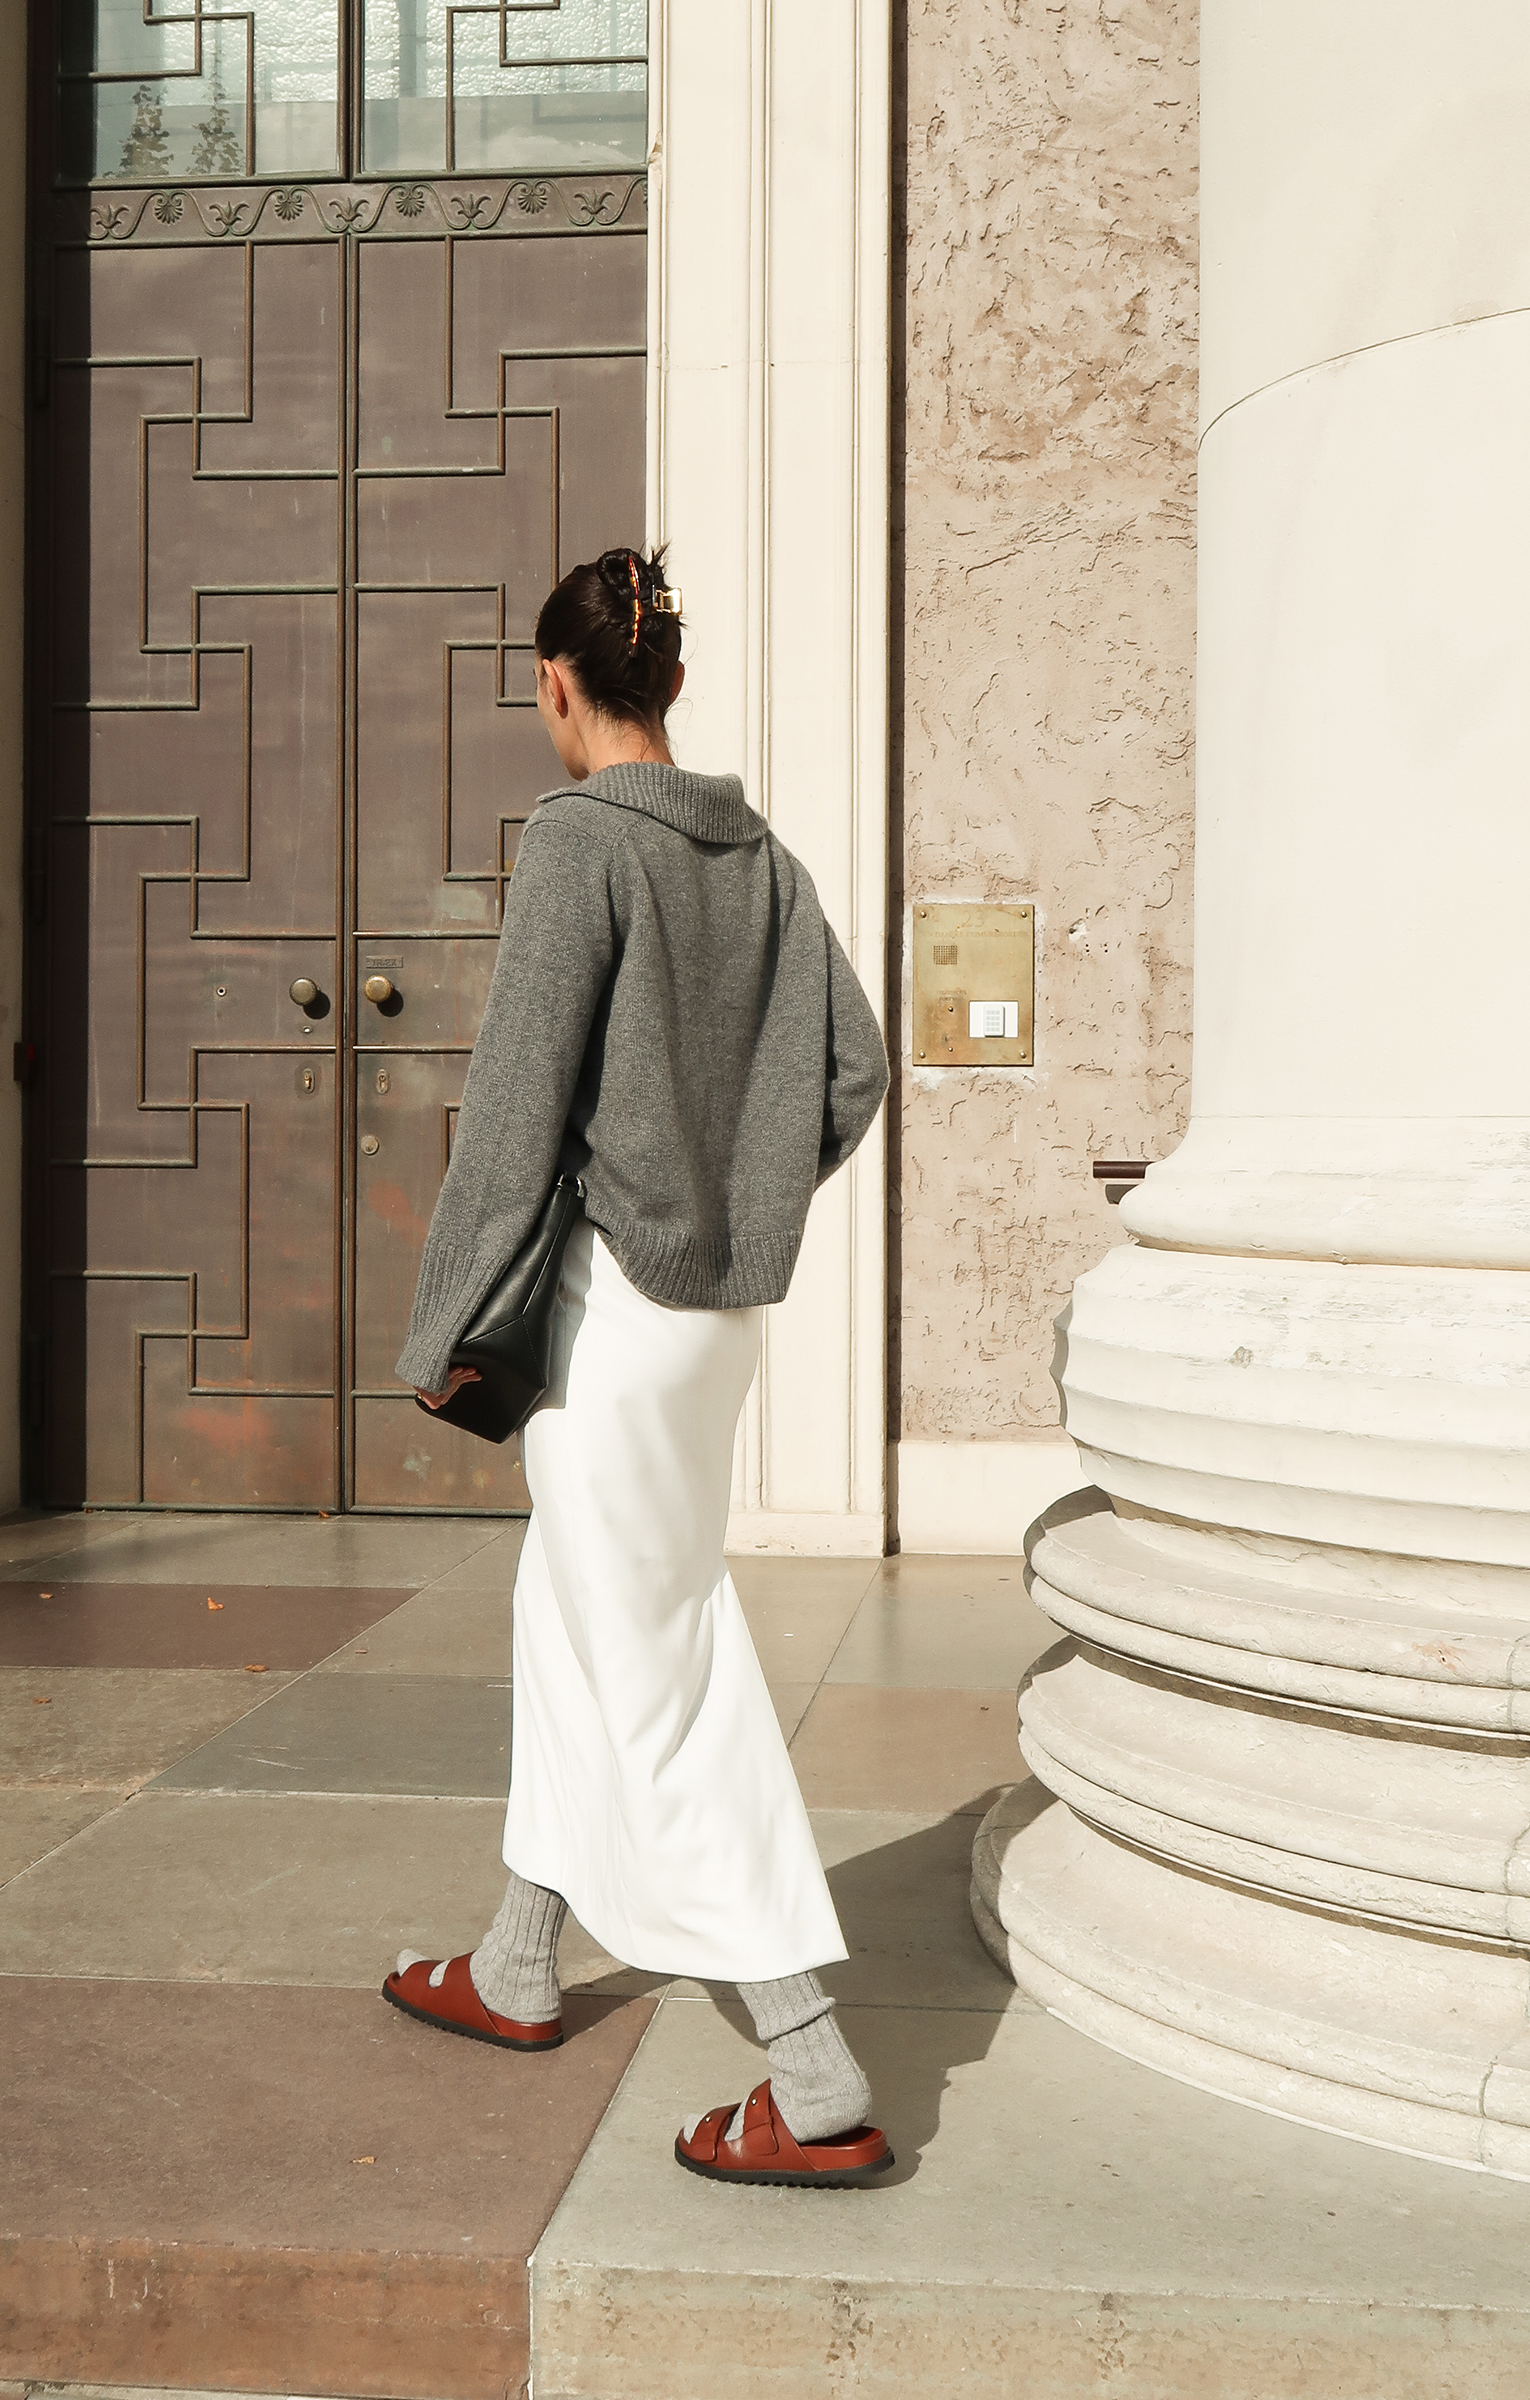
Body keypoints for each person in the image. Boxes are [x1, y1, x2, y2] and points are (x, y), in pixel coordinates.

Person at [383, 546, 893, 2188]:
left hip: (615, 1316)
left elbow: (520, 1106)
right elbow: (856, 1068)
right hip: (716, 1324)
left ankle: (812, 2072)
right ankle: (518, 1956)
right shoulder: (763, 857)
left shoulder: (579, 844)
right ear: (664, 679)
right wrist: (745, 1202)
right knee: (582, 1612)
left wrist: (445, 1318)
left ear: (558, 685)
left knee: (657, 1659)